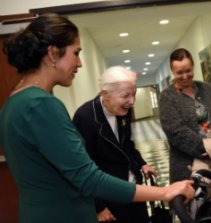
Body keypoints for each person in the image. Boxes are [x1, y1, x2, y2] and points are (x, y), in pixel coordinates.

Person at [0, 13, 194, 223]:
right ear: (53, 53)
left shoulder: (13, 102)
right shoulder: (41, 104)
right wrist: (165, 192)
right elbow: (89, 178)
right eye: (76, 53)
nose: (80, 63)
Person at [73, 66, 156, 222]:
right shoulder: (85, 117)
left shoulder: (123, 109)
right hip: (110, 200)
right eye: (125, 96)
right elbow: (83, 167)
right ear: (106, 95)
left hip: (134, 190)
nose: (131, 101)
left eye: (134, 94)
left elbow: (127, 145)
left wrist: (142, 163)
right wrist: (99, 207)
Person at [159, 48, 211, 184]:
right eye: (179, 73)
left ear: (193, 67)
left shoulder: (207, 89)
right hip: (188, 167)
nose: (185, 76)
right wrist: (205, 148)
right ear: (172, 72)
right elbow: (176, 132)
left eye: (188, 71)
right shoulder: (167, 97)